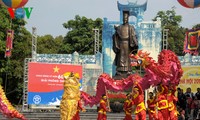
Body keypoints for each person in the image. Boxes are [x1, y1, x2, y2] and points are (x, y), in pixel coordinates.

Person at [112, 10, 138, 79]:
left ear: (128, 19)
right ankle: (120, 72)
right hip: (121, 44)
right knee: (120, 58)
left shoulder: (130, 27)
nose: (125, 20)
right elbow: (115, 36)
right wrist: (116, 34)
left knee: (127, 58)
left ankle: (128, 71)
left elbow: (133, 36)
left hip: (128, 45)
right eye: (124, 19)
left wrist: (135, 44)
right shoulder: (119, 27)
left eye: (126, 18)